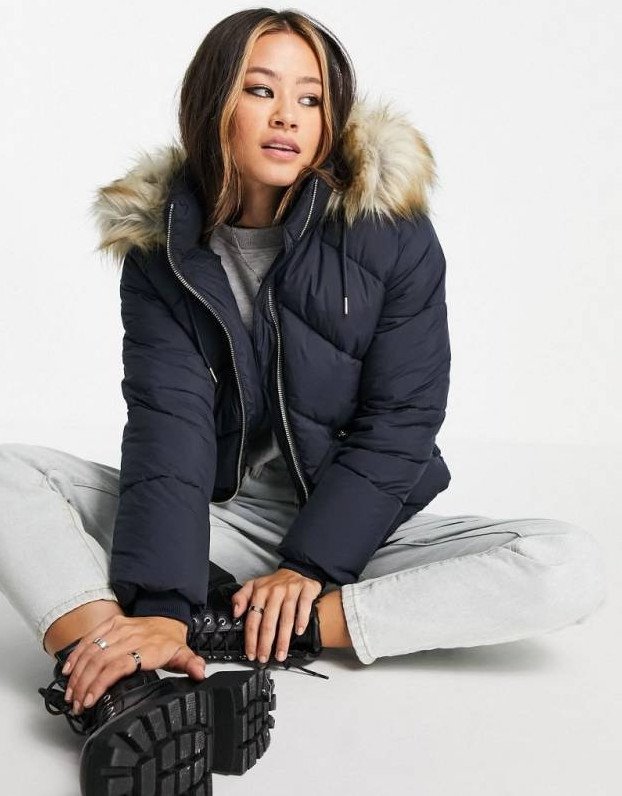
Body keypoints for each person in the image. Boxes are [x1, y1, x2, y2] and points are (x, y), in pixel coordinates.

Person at [0, 7, 607, 793]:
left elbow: (402, 421)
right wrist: (162, 601)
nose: (287, 115)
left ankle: (246, 628)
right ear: (213, 103)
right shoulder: (162, 248)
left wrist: (311, 567)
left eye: (311, 98)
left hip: (358, 525)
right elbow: (168, 423)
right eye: (261, 89)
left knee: (567, 566)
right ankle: (123, 680)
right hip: (220, 518)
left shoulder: (389, 231)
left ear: (331, 116)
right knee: (10, 475)